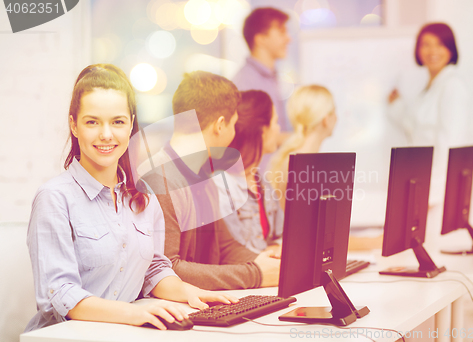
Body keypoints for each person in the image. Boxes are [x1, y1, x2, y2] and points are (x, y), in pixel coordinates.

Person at [25, 64, 237, 332]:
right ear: (74, 126)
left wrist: (192, 293)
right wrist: (136, 313)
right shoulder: (54, 199)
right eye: (92, 122)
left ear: (131, 125)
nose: (106, 134)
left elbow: (153, 270)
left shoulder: (143, 198)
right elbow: (60, 294)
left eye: (117, 122)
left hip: (124, 333)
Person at [140, 71, 281, 291]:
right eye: (234, 124)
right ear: (220, 125)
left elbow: (225, 247)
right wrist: (254, 274)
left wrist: (266, 263)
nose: (235, 133)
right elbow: (168, 270)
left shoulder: (205, 175)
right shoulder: (160, 181)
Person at [387, 23, 473, 205]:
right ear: (418, 50)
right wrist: (396, 105)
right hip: (422, 180)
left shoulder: (452, 86)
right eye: (426, 44)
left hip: (437, 189)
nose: (432, 51)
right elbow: (416, 129)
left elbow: (451, 142)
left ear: (451, 50)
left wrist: (432, 191)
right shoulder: (430, 87)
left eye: (440, 44)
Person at [213, 90, 283, 255]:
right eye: (275, 122)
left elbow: (281, 237)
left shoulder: (263, 182)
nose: (279, 130)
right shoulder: (220, 186)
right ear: (262, 131)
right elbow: (232, 254)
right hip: (249, 278)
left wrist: (275, 250)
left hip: (271, 275)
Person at [268, 85, 336, 210]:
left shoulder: (294, 158)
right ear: (326, 119)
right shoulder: (303, 164)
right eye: (334, 112)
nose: (337, 118)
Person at [233, 7, 292, 143]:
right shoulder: (245, 84)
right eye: (281, 32)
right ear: (261, 39)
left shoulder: (271, 77)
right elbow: (256, 139)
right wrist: (304, 137)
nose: (288, 39)